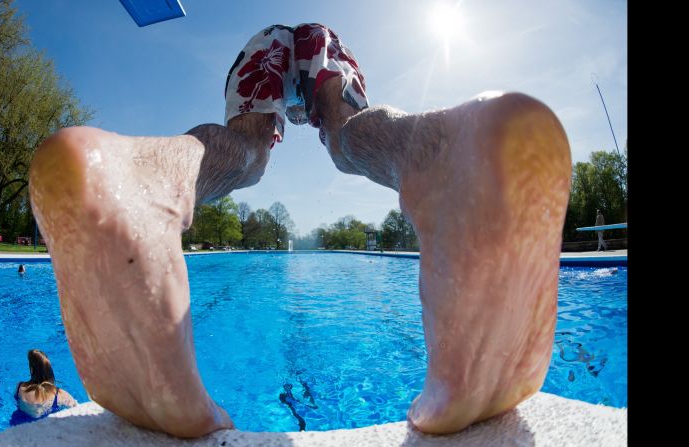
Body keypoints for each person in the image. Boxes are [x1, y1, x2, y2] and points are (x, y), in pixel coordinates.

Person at [28, 23, 571, 437]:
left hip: (260, 52)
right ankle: (441, 153)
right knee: (348, 139)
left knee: (244, 152)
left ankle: (143, 178)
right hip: (328, 62)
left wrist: (257, 134)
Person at [10, 349, 78, 426]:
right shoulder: (59, 394)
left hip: (18, 424)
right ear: (49, 370)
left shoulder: (19, 387)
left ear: (31, 369)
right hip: (44, 427)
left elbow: (15, 401)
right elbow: (76, 408)